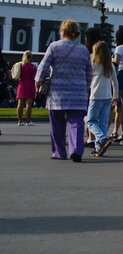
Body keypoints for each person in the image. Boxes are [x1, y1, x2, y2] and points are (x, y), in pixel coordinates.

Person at [35, 19, 93, 162]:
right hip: (78, 92)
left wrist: (38, 81)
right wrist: (87, 87)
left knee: (57, 124)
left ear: (63, 31)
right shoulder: (84, 50)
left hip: (57, 93)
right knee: (77, 123)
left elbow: (44, 66)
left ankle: (59, 152)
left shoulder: (54, 46)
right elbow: (89, 72)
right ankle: (76, 151)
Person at [87, 41, 119, 157]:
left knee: (91, 122)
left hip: (95, 96)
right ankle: (98, 148)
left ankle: (102, 139)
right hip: (108, 96)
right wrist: (115, 96)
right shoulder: (110, 65)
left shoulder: (94, 63)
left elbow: (88, 79)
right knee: (103, 123)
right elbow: (115, 81)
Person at [14, 51, 37, 126]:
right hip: (30, 85)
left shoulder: (20, 65)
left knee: (20, 104)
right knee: (28, 104)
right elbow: (35, 78)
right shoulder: (33, 66)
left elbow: (17, 77)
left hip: (21, 85)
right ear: (30, 57)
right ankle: (28, 121)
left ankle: (20, 121)